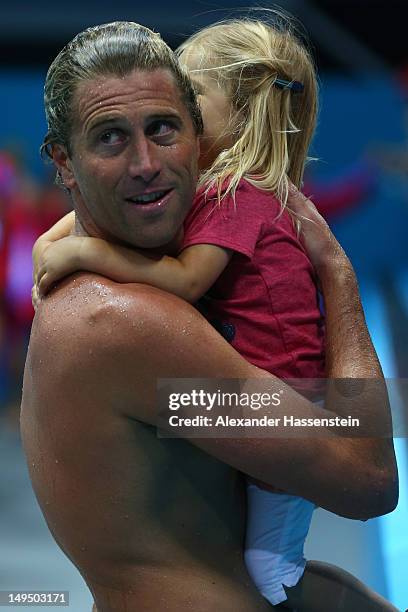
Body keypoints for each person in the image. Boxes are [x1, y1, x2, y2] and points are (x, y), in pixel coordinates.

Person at [21, 21, 398, 612]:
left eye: (163, 129)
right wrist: (338, 278)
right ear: (64, 163)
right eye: (111, 138)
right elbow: (368, 478)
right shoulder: (127, 327)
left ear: (199, 135)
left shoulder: (113, 287)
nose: (146, 163)